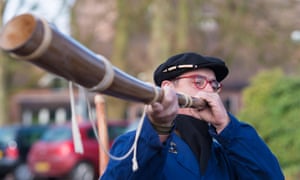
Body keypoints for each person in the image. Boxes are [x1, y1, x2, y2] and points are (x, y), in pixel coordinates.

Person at [101, 52, 284, 179]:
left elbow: (270, 176)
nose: (209, 90)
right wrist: (159, 128)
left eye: (214, 85)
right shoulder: (135, 145)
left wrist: (228, 127)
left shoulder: (227, 150)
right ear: (168, 88)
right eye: (198, 82)